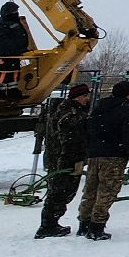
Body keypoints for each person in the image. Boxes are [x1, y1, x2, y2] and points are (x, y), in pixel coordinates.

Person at [79, 78, 129, 240]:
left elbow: (89, 130)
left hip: (95, 154)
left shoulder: (99, 108)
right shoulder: (127, 111)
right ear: (127, 94)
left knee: (91, 190)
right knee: (107, 191)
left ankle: (84, 223)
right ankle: (96, 227)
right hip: (114, 156)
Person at [35, 82, 91, 239]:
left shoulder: (65, 111)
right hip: (65, 160)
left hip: (59, 159)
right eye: (85, 96)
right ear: (77, 97)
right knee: (60, 192)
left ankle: (50, 223)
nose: (87, 99)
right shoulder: (70, 115)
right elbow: (71, 142)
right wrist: (71, 163)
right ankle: (48, 225)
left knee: (60, 192)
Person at [0, 1, 31, 100]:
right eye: (14, 11)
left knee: (14, 72)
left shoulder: (14, 22)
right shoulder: (2, 23)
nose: (16, 12)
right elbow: (2, 40)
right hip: (5, 55)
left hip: (15, 54)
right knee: (3, 73)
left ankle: (12, 92)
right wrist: (13, 49)